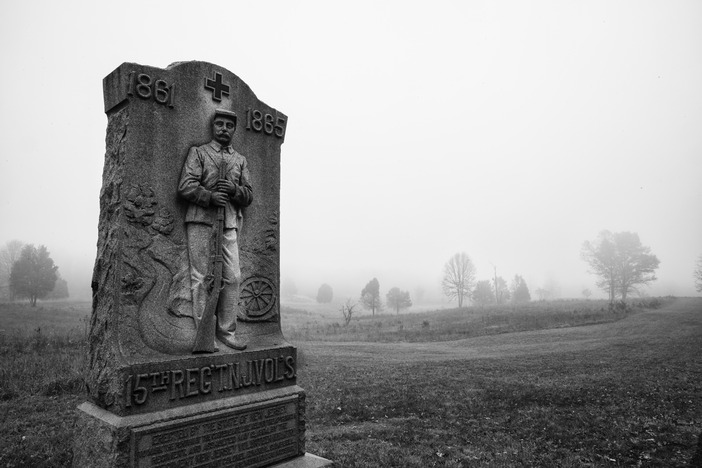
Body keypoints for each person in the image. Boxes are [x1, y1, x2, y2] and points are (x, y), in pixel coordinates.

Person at [178, 109, 253, 351]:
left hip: (228, 223)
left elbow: (249, 194)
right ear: (213, 127)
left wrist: (234, 190)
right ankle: (205, 335)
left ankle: (227, 331)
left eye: (228, 125)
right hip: (200, 220)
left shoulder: (240, 160)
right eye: (219, 124)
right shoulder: (199, 152)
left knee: (232, 277)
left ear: (234, 130)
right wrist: (209, 196)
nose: (223, 128)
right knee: (200, 278)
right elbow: (186, 186)